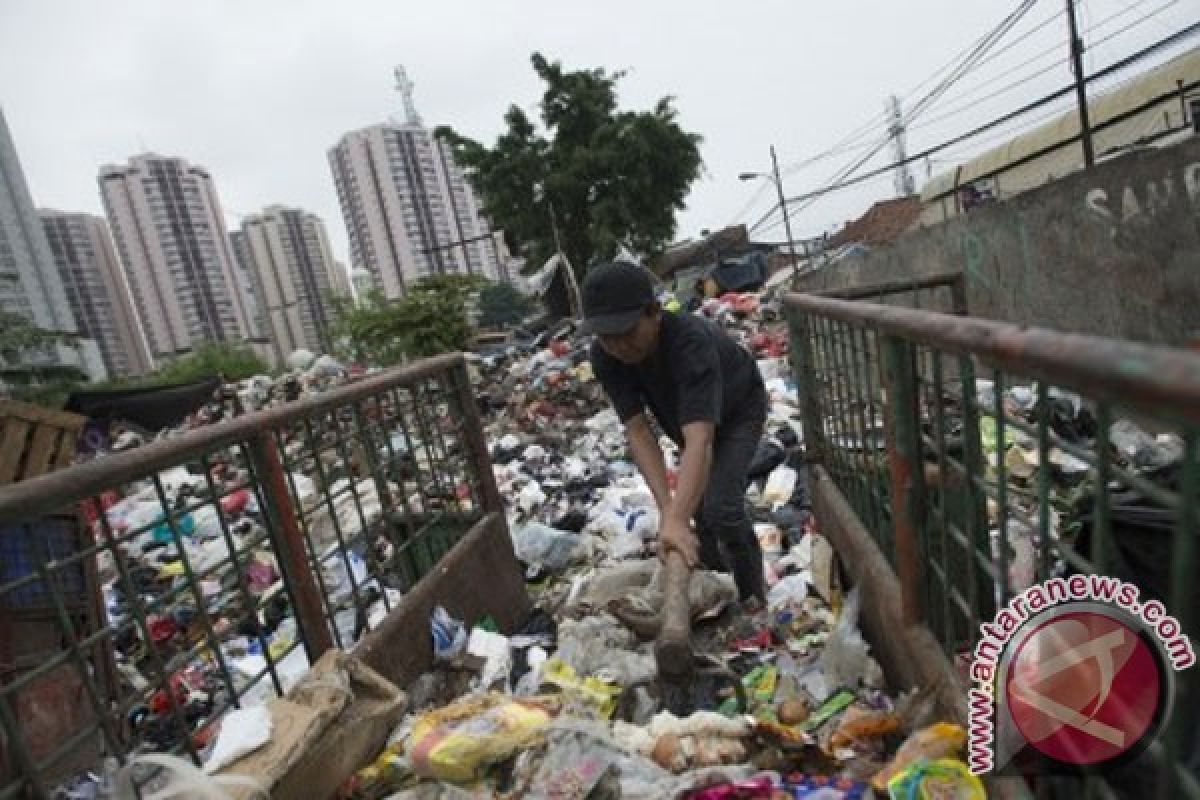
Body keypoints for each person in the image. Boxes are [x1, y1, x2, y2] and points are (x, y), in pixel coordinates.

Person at [580, 261, 768, 604]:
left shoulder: (689, 342)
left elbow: (701, 440)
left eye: (627, 332)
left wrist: (676, 518)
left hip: (739, 409)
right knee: (694, 513)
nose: (619, 347)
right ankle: (714, 593)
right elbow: (638, 431)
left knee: (721, 508)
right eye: (607, 338)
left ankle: (754, 599)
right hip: (686, 418)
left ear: (654, 313)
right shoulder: (605, 357)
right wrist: (668, 510)